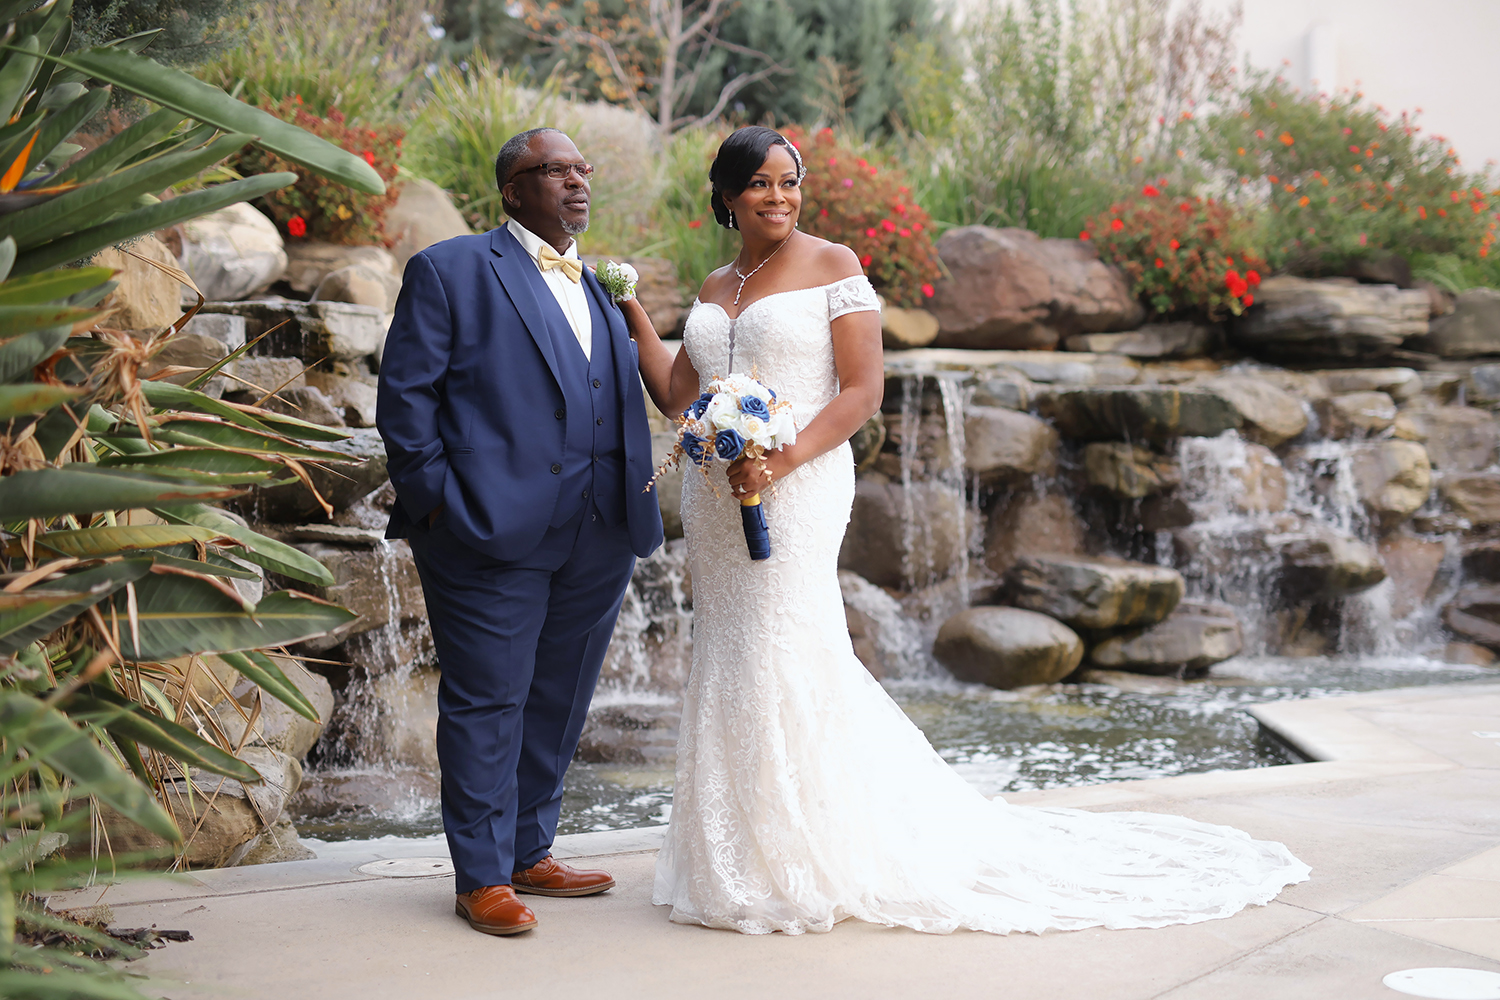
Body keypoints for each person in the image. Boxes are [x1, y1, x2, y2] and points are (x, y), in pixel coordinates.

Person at [622, 125, 1310, 936]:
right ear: (729, 194)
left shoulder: (835, 265)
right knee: (731, 649)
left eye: (791, 181)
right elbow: (675, 394)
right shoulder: (714, 281)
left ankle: (809, 853)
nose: (780, 197)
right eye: (762, 184)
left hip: (799, 481)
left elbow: (861, 391)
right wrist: (627, 301)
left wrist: (783, 459)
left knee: (785, 643)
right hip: (716, 495)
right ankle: (733, 852)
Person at [376, 127, 664, 936]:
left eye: (582, 169)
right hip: (485, 529)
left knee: (559, 696)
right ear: (511, 190)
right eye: (553, 171)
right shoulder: (452, 269)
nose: (576, 183)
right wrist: (439, 505)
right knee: (486, 700)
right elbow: (406, 401)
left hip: (601, 528)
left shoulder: (604, 283)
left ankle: (530, 849)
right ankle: (479, 876)